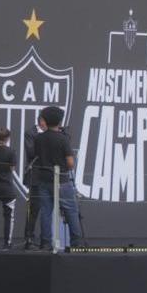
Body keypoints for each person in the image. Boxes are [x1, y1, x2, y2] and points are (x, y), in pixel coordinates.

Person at [34, 106, 83, 249]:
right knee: (71, 210)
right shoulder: (63, 139)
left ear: (45, 121)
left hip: (44, 180)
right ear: (59, 121)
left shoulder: (39, 138)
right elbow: (70, 163)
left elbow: (38, 157)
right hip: (61, 180)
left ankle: (46, 243)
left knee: (46, 212)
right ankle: (76, 242)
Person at [22, 115, 46, 249]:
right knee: (34, 209)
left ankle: (46, 239)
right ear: (41, 121)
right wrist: (44, 140)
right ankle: (29, 238)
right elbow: (31, 152)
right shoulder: (31, 133)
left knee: (48, 210)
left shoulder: (51, 133)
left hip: (49, 175)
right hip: (35, 176)